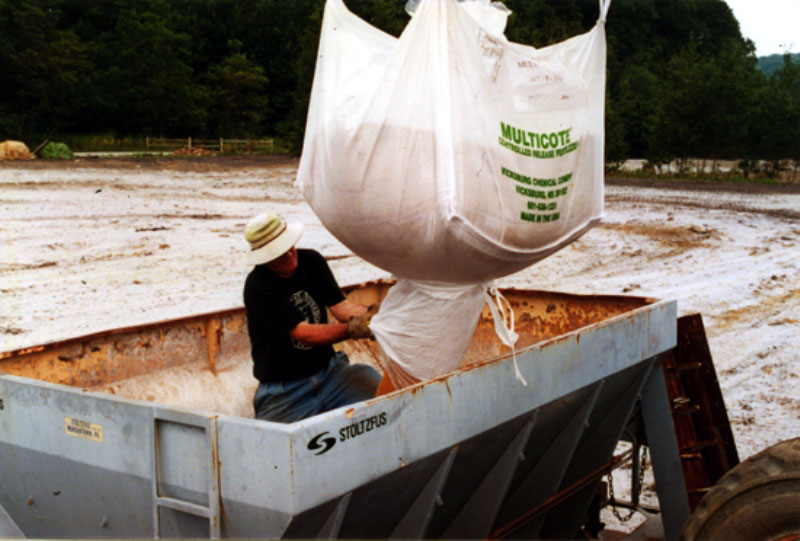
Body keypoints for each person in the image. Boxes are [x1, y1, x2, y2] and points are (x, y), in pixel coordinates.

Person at [242, 212, 381, 422]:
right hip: (285, 391)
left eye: (289, 247)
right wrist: (354, 329)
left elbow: (341, 308)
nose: (289, 255)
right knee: (270, 446)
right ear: (265, 258)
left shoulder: (312, 261)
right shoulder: (258, 286)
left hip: (331, 374)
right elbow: (304, 334)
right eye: (279, 254)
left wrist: (374, 314)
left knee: (378, 388)